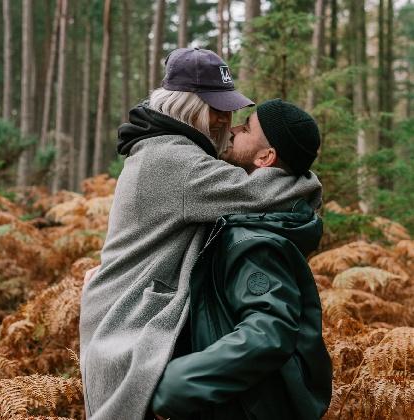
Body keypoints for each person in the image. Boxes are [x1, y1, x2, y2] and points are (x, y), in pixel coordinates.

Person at [79, 48, 323, 420]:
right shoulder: (175, 161)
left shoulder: (161, 148)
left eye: (230, 108)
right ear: (187, 106)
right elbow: (259, 192)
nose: (227, 119)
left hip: (125, 316)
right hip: (128, 330)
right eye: (216, 107)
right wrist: (307, 179)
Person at [151, 99, 333, 420]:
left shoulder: (255, 239)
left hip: (242, 408)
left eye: (246, 128)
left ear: (266, 157)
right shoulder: (254, 219)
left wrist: (177, 383)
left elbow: (269, 330)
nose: (234, 129)